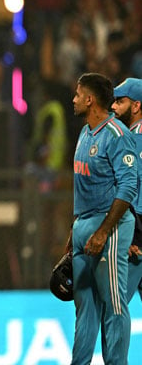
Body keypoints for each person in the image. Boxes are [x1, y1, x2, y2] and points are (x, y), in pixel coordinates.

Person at [66, 72, 137, 364]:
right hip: (84, 224)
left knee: (114, 303)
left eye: (77, 94)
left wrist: (103, 232)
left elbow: (129, 187)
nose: (73, 99)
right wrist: (75, 231)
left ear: (90, 99)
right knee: (84, 308)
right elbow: (81, 187)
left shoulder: (117, 135)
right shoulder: (85, 133)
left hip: (111, 227)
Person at [110, 77, 142, 304]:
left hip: (136, 238)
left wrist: (132, 236)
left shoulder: (133, 139)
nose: (113, 107)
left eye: (120, 101)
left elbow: (133, 190)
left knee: (115, 305)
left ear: (137, 105)